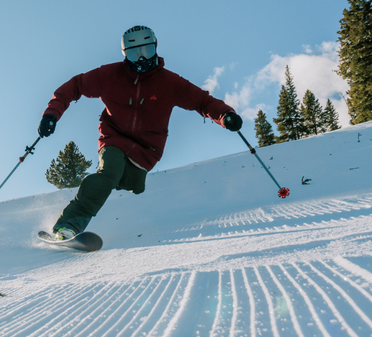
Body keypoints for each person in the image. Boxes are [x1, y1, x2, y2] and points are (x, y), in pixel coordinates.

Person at [38, 25, 242, 240]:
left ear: (155, 48)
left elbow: (203, 101)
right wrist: (51, 114)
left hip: (147, 149)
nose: (142, 58)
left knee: (133, 183)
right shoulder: (109, 75)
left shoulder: (169, 82)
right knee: (109, 172)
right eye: (135, 53)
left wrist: (225, 115)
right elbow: (75, 86)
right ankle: (68, 226)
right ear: (125, 55)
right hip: (114, 138)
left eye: (147, 51)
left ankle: (109, 185)